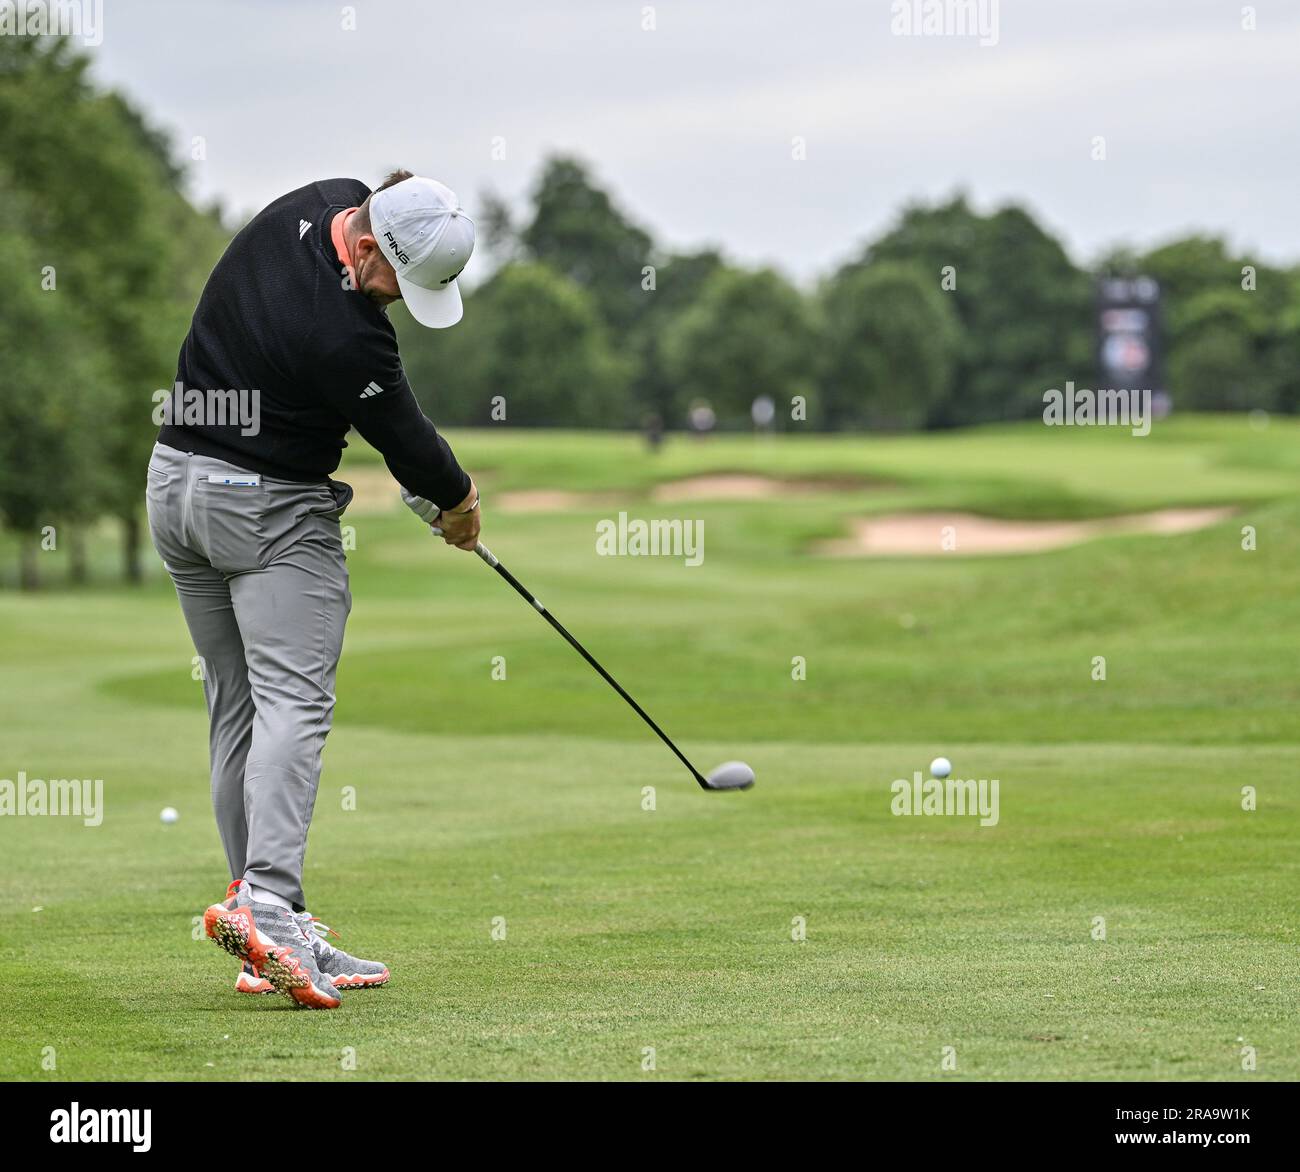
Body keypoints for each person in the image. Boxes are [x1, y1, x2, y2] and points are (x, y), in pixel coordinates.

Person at [146, 171, 480, 1009]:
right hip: (263, 513)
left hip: (173, 487)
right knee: (294, 703)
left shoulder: (321, 196)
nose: (397, 304)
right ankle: (267, 904)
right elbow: (406, 435)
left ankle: (262, 918)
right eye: (397, 285)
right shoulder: (349, 338)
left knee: (237, 707)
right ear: (366, 247)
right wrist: (459, 502)